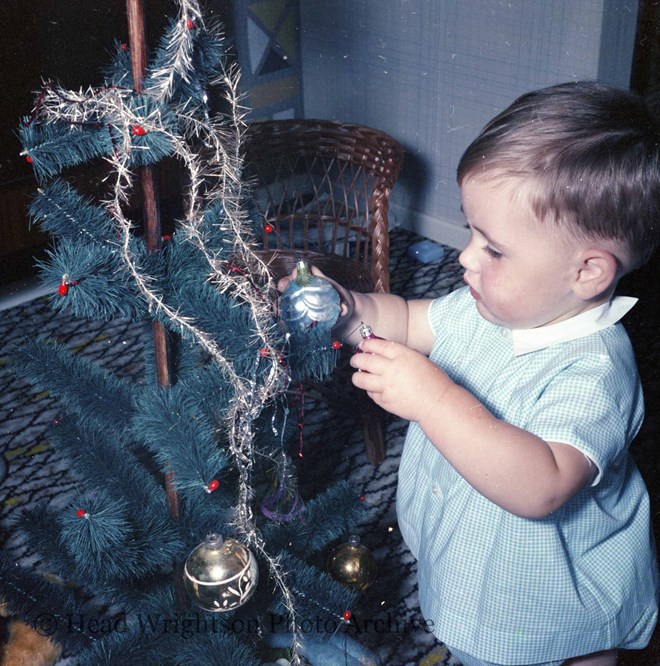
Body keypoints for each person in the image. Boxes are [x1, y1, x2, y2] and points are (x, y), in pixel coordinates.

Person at [278, 81, 660, 666]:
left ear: (587, 272)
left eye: (495, 249)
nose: (465, 257)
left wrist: (434, 400)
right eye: (471, 231)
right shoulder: (490, 308)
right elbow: (406, 318)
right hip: (477, 557)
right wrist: (349, 310)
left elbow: (542, 484)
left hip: (542, 592)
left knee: (567, 646)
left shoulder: (596, 370)